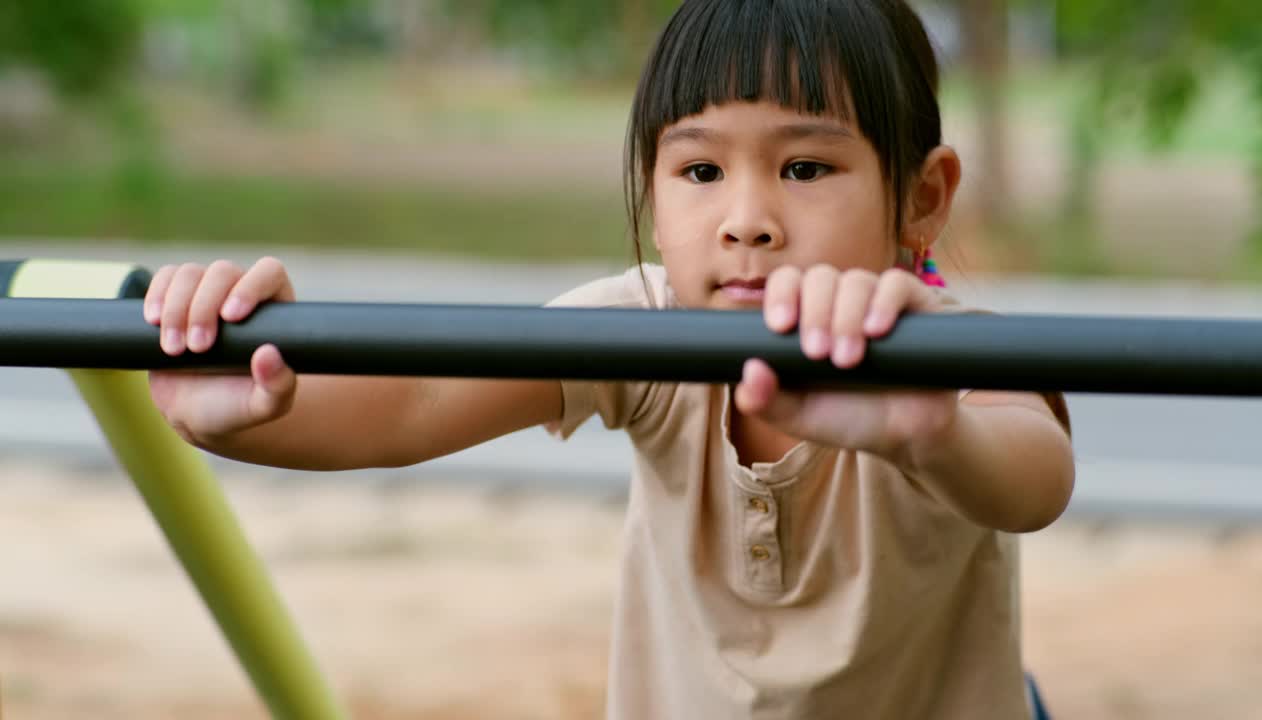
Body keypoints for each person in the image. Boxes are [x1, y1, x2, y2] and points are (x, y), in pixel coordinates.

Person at [143, 1, 1074, 717]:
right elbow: (421, 398)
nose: (746, 218)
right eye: (701, 172)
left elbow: (1032, 474)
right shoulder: (645, 329)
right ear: (653, 193)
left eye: (804, 168)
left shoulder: (935, 344)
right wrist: (257, 403)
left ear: (922, 197)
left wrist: (932, 430)